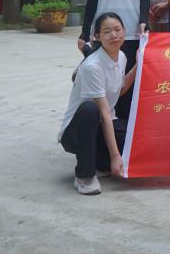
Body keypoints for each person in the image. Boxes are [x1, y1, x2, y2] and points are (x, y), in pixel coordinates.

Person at [59, 13, 137, 195]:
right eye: (107, 31)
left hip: (102, 124)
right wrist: (115, 156)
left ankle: (100, 163)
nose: (114, 35)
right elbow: (104, 112)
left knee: (135, 142)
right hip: (77, 131)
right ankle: (84, 175)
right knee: (90, 109)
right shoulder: (92, 66)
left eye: (117, 30)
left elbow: (119, 89)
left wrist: (137, 66)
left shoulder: (122, 56)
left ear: (124, 31)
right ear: (97, 37)